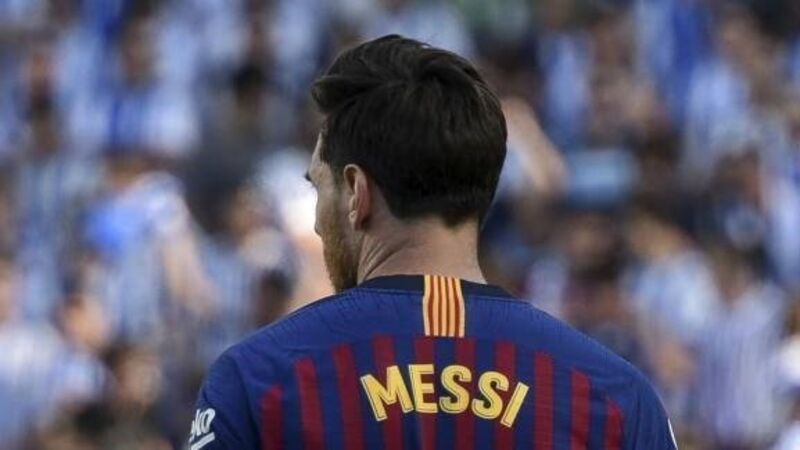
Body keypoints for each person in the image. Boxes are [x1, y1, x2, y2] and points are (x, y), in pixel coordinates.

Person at [189, 35, 677, 450]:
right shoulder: (614, 399)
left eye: (320, 188)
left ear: (357, 192)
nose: (317, 224)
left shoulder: (259, 381)